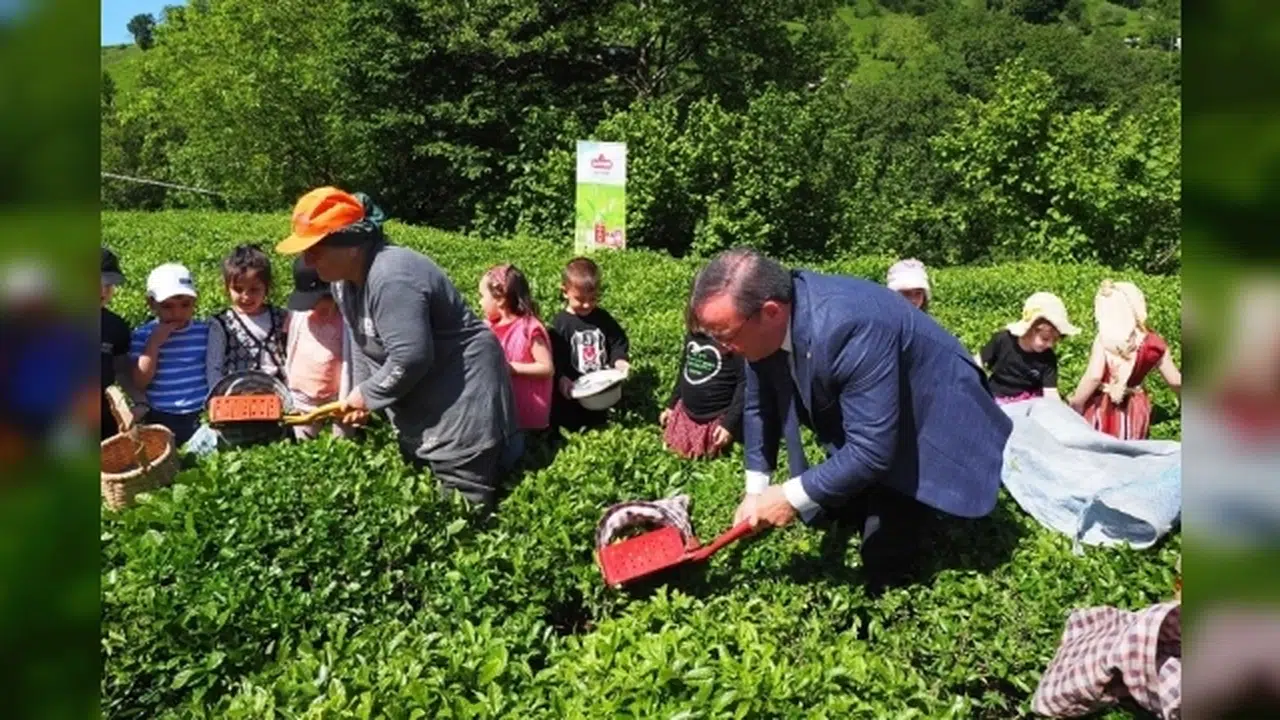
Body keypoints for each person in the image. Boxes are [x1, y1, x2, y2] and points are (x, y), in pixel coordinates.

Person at [688, 248, 1012, 592]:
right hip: (879, 416)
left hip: (932, 419)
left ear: (770, 312)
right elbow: (758, 404)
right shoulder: (768, 322)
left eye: (725, 335)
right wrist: (756, 493)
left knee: (884, 563)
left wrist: (787, 497)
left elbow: (873, 450)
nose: (721, 349)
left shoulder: (849, 325)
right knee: (834, 508)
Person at [275, 186, 518, 510]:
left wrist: (366, 395)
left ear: (350, 246)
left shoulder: (392, 278)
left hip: (461, 396)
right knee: (423, 494)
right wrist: (363, 396)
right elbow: (363, 342)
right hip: (424, 400)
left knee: (462, 504)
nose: (307, 260)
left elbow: (411, 356)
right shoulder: (341, 282)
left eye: (315, 249)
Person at [1068, 280, 1181, 440]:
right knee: (1131, 453)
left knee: (1099, 453)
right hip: (1135, 407)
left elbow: (1093, 376)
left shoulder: (1104, 339)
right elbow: (1175, 380)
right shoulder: (1154, 342)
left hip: (1102, 406)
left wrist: (1076, 403)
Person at [206, 244, 290, 447]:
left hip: (276, 392)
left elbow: (290, 355)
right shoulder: (222, 323)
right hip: (237, 397)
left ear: (267, 288)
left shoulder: (280, 316)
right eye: (238, 289)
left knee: (275, 439)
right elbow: (214, 365)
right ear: (227, 288)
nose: (246, 296)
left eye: (254, 290)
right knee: (240, 440)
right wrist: (215, 400)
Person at [130, 263, 209, 446]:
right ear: (151, 303)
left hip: (200, 410)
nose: (177, 313)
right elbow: (140, 381)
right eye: (167, 306)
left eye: (185, 305)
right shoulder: (143, 335)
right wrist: (153, 345)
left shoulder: (203, 331)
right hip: (162, 413)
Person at [480, 264, 553, 460]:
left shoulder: (530, 328)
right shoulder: (489, 327)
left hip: (524, 409)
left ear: (500, 299)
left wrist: (512, 368)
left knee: (517, 457)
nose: (480, 303)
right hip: (500, 407)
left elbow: (546, 368)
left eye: (482, 297)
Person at [549, 257, 631, 432]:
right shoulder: (560, 323)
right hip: (574, 388)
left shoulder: (602, 318)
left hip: (600, 384)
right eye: (579, 299)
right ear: (565, 292)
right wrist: (561, 377)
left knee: (604, 417)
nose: (587, 304)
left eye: (593, 298)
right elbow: (554, 356)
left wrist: (619, 359)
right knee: (569, 419)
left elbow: (618, 340)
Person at [283, 255, 356, 441]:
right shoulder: (298, 316)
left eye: (320, 300)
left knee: (343, 445)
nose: (314, 306)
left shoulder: (346, 321)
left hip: (337, 398)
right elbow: (288, 343)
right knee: (303, 442)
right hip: (303, 396)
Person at [660, 302, 745, 459]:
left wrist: (729, 425)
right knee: (674, 451)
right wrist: (671, 405)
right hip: (688, 411)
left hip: (717, 416)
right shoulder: (694, 335)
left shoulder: (731, 342)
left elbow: (744, 384)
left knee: (705, 455)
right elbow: (684, 370)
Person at [974, 291, 1079, 404]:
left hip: (1029, 400)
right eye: (1045, 338)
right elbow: (977, 363)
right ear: (1029, 330)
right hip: (997, 395)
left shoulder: (1048, 358)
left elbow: (1050, 392)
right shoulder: (1002, 340)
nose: (1050, 345)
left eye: (1055, 340)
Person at [101, 247, 133, 438]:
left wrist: (139, 401)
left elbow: (120, 370)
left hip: (104, 416)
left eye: (109, 284)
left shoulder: (116, 326)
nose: (104, 290)